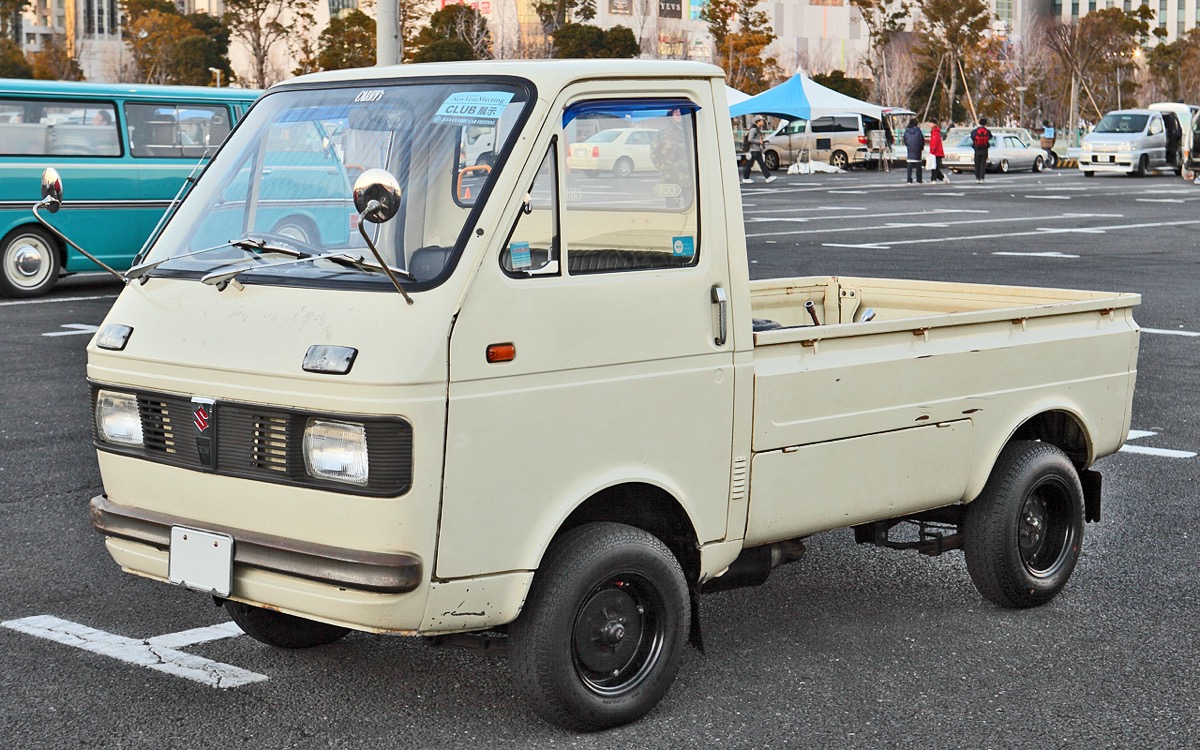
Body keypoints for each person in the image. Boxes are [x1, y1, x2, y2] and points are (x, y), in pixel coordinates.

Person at [741, 115, 776, 184]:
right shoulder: (754, 129)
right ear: (758, 122)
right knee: (753, 164)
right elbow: (750, 139)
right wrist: (759, 142)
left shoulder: (757, 129)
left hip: (756, 149)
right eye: (762, 121)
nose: (763, 122)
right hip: (754, 149)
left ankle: (767, 177)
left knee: (758, 164)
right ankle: (746, 178)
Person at [902, 117, 925, 184]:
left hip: (910, 149)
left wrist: (908, 146)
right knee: (918, 165)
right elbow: (921, 140)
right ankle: (919, 179)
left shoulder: (906, 131)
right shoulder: (918, 131)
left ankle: (909, 179)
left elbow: (905, 140)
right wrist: (921, 147)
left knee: (909, 165)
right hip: (917, 149)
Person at [971, 117, 993, 183]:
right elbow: (990, 137)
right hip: (984, 149)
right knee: (983, 164)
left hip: (977, 149)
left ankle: (977, 178)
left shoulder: (975, 131)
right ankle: (982, 178)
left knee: (977, 164)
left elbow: (972, 137)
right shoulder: (987, 131)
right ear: (985, 123)